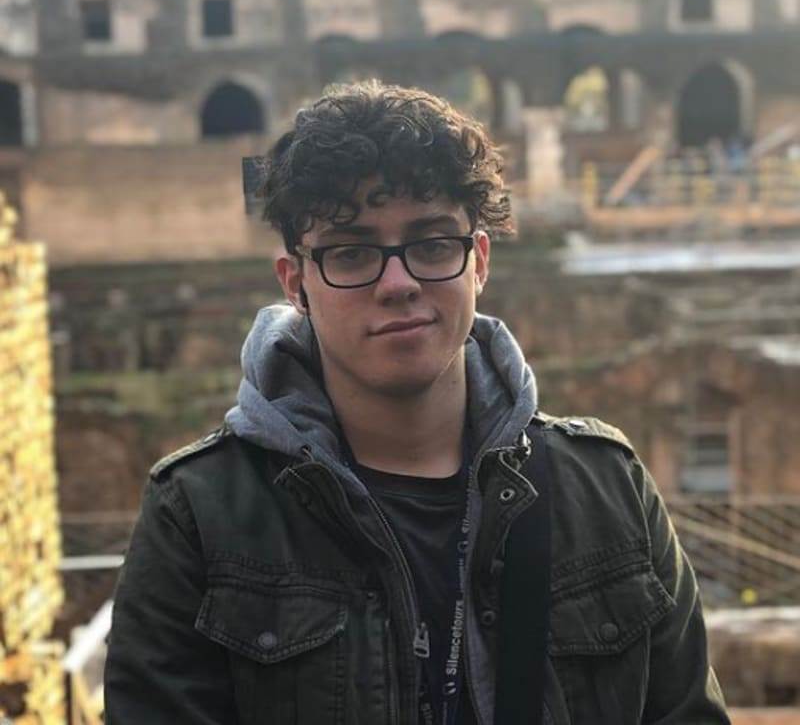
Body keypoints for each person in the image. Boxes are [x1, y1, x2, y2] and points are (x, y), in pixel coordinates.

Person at [104, 81, 730, 724]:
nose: (398, 283)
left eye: (432, 245)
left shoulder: (607, 488)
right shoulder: (199, 517)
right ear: (296, 283)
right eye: (352, 253)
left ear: (478, 262)